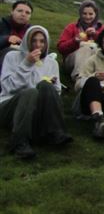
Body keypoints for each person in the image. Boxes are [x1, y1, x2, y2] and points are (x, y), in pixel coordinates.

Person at [0, 25, 71, 159]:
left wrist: (52, 84)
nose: (38, 45)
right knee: (30, 92)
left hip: (35, 111)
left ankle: (55, 132)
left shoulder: (51, 63)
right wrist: (27, 64)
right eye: (34, 41)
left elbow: (57, 92)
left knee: (46, 85)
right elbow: (8, 87)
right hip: (8, 105)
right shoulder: (12, 57)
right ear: (27, 41)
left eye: (42, 41)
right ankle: (19, 142)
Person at [57, 0, 104, 81]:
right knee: (86, 47)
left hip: (94, 63)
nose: (87, 16)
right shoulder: (72, 27)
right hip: (72, 62)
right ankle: (79, 78)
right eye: (84, 13)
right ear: (80, 14)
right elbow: (60, 48)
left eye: (90, 14)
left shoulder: (102, 29)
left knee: (96, 49)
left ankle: (100, 78)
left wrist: (96, 35)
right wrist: (75, 40)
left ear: (95, 14)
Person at [0, 0, 33, 67]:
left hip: (25, 62)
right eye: (20, 11)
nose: (23, 14)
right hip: (3, 59)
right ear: (12, 11)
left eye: (27, 13)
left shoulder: (32, 30)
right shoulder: (1, 24)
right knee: (10, 52)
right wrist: (7, 39)